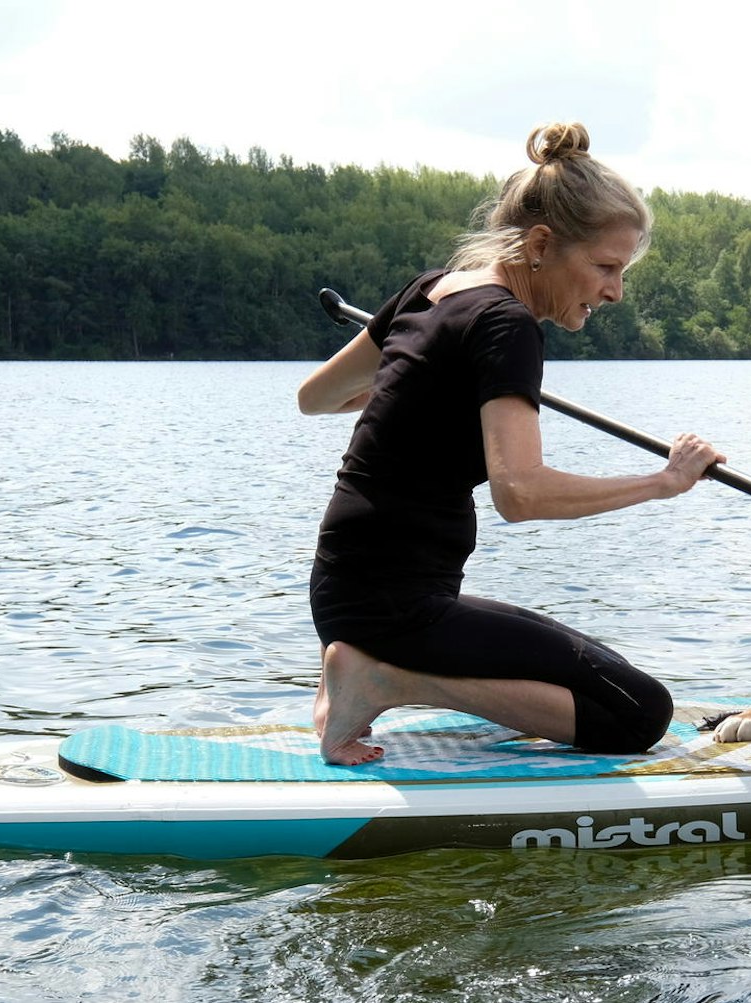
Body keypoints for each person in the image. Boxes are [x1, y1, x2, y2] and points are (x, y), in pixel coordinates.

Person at [297, 123, 724, 766]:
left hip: (348, 589)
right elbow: (520, 494)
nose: (614, 290)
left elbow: (317, 396)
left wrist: (421, 383)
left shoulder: (431, 289)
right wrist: (663, 482)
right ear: (542, 244)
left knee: (598, 678)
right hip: (396, 607)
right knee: (638, 712)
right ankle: (384, 681)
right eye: (605, 267)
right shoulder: (507, 323)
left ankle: (363, 672)